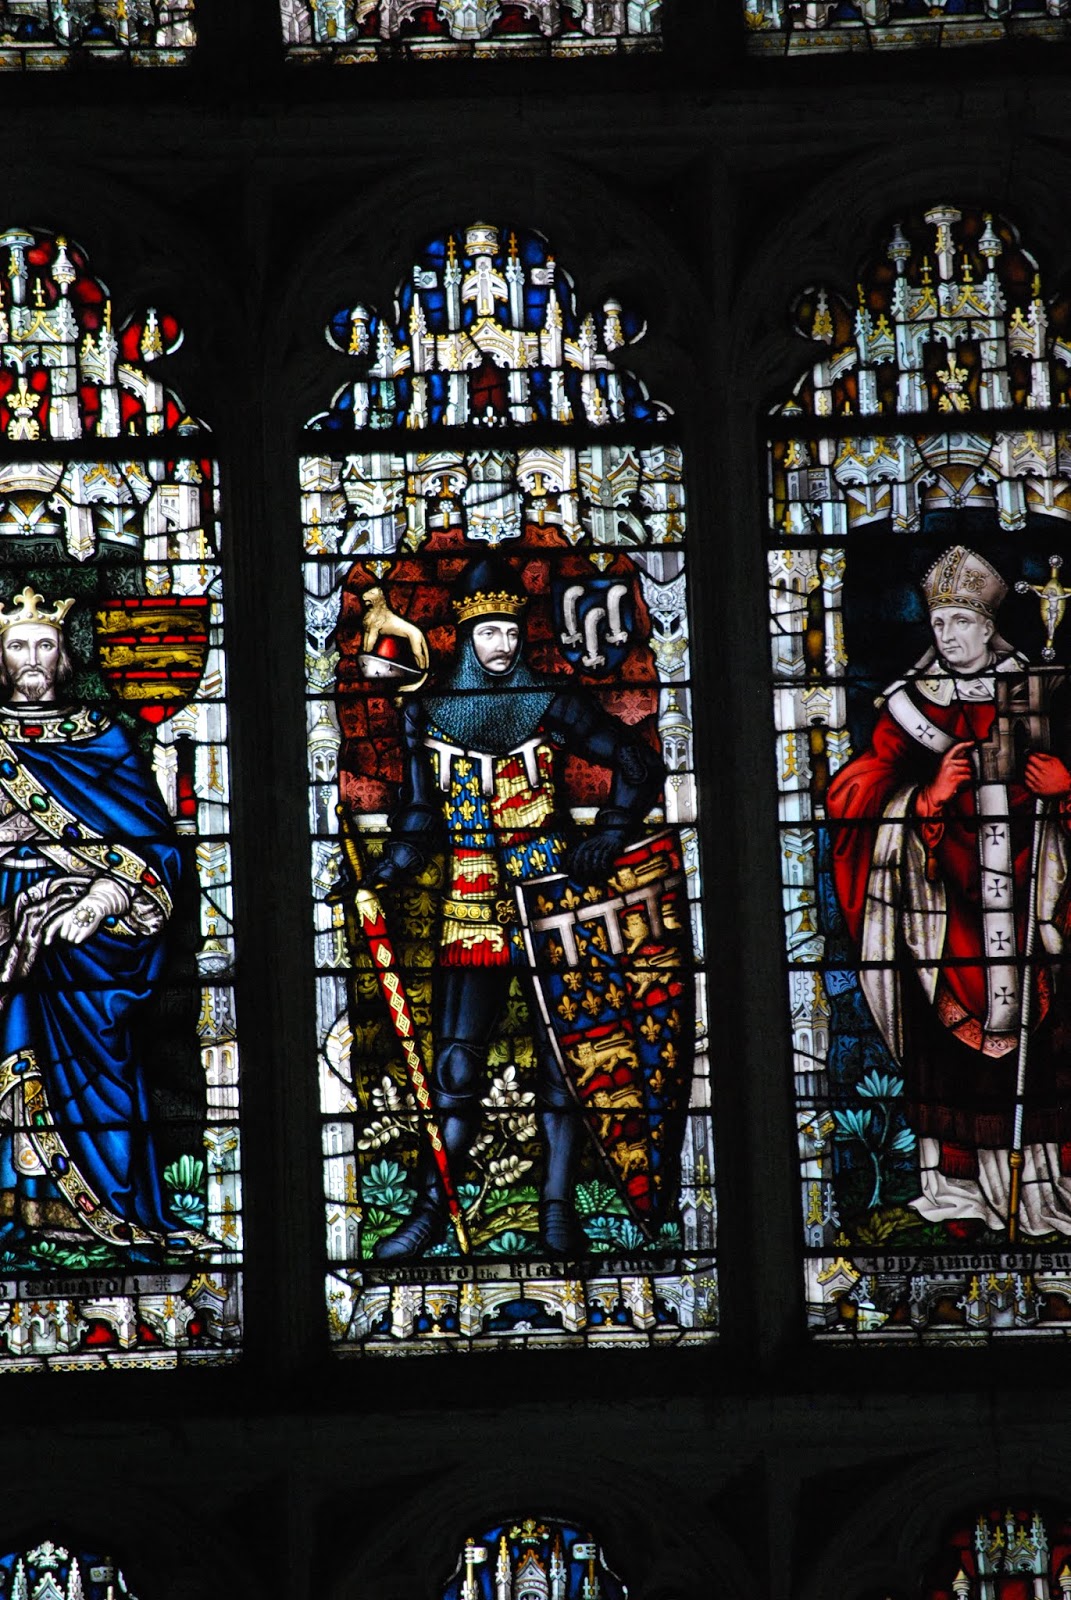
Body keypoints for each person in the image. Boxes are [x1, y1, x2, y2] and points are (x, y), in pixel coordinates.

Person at [368, 555, 666, 1260]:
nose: (500, 645)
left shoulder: (552, 701)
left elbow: (638, 764)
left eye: (509, 631)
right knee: (455, 1072)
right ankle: (432, 1214)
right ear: (465, 639)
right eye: (487, 633)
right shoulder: (426, 713)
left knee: (566, 1063)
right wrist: (385, 871)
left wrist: (610, 836)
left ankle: (556, 1213)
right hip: (468, 905)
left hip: (552, 904)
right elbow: (419, 821)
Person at [827, 545, 1071, 1237]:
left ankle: (1042, 1192)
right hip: (936, 909)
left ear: (987, 627)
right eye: (940, 626)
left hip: (1036, 898)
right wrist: (921, 801)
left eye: (962, 624)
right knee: (950, 1057)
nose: (949, 637)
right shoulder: (909, 707)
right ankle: (956, 1189)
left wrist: (1066, 791)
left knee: (1044, 1048)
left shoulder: (1042, 689)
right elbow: (855, 789)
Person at [0, 586, 191, 1257]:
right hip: (5, 928)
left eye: (44, 644)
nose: (32, 658)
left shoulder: (101, 738)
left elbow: (157, 849)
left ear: (64, 656)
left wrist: (101, 899)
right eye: (19, 645)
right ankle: (22, 1204)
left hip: (87, 946)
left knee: (92, 1067)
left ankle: (89, 1208)